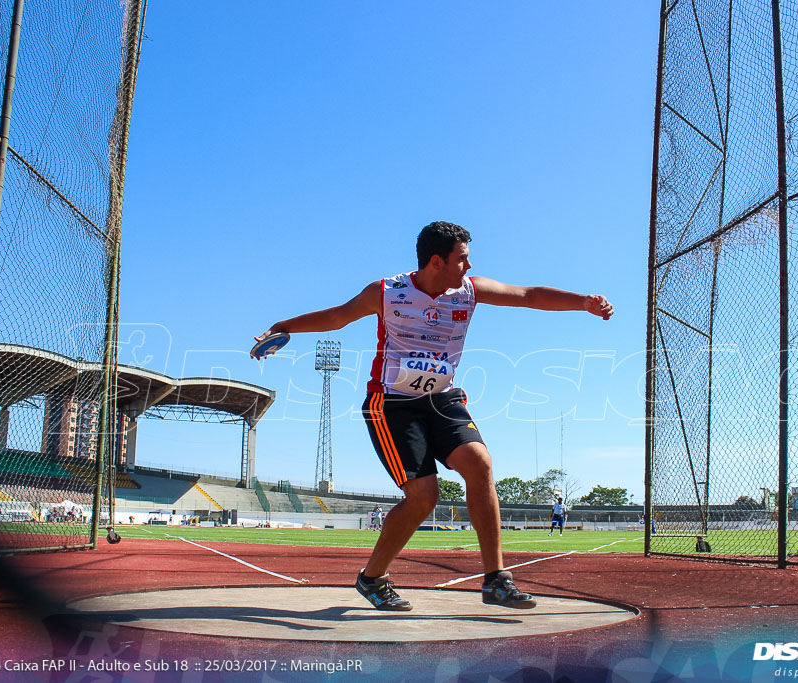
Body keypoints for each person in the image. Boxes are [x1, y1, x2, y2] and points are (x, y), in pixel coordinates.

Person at [255, 221, 614, 610]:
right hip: (391, 405)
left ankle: (496, 579)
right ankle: (372, 578)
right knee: (423, 497)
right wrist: (284, 327)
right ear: (437, 261)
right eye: (463, 258)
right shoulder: (387, 292)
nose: (469, 265)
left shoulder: (469, 291)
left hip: (441, 398)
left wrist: (583, 302)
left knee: (479, 463)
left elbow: (526, 294)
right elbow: (339, 316)